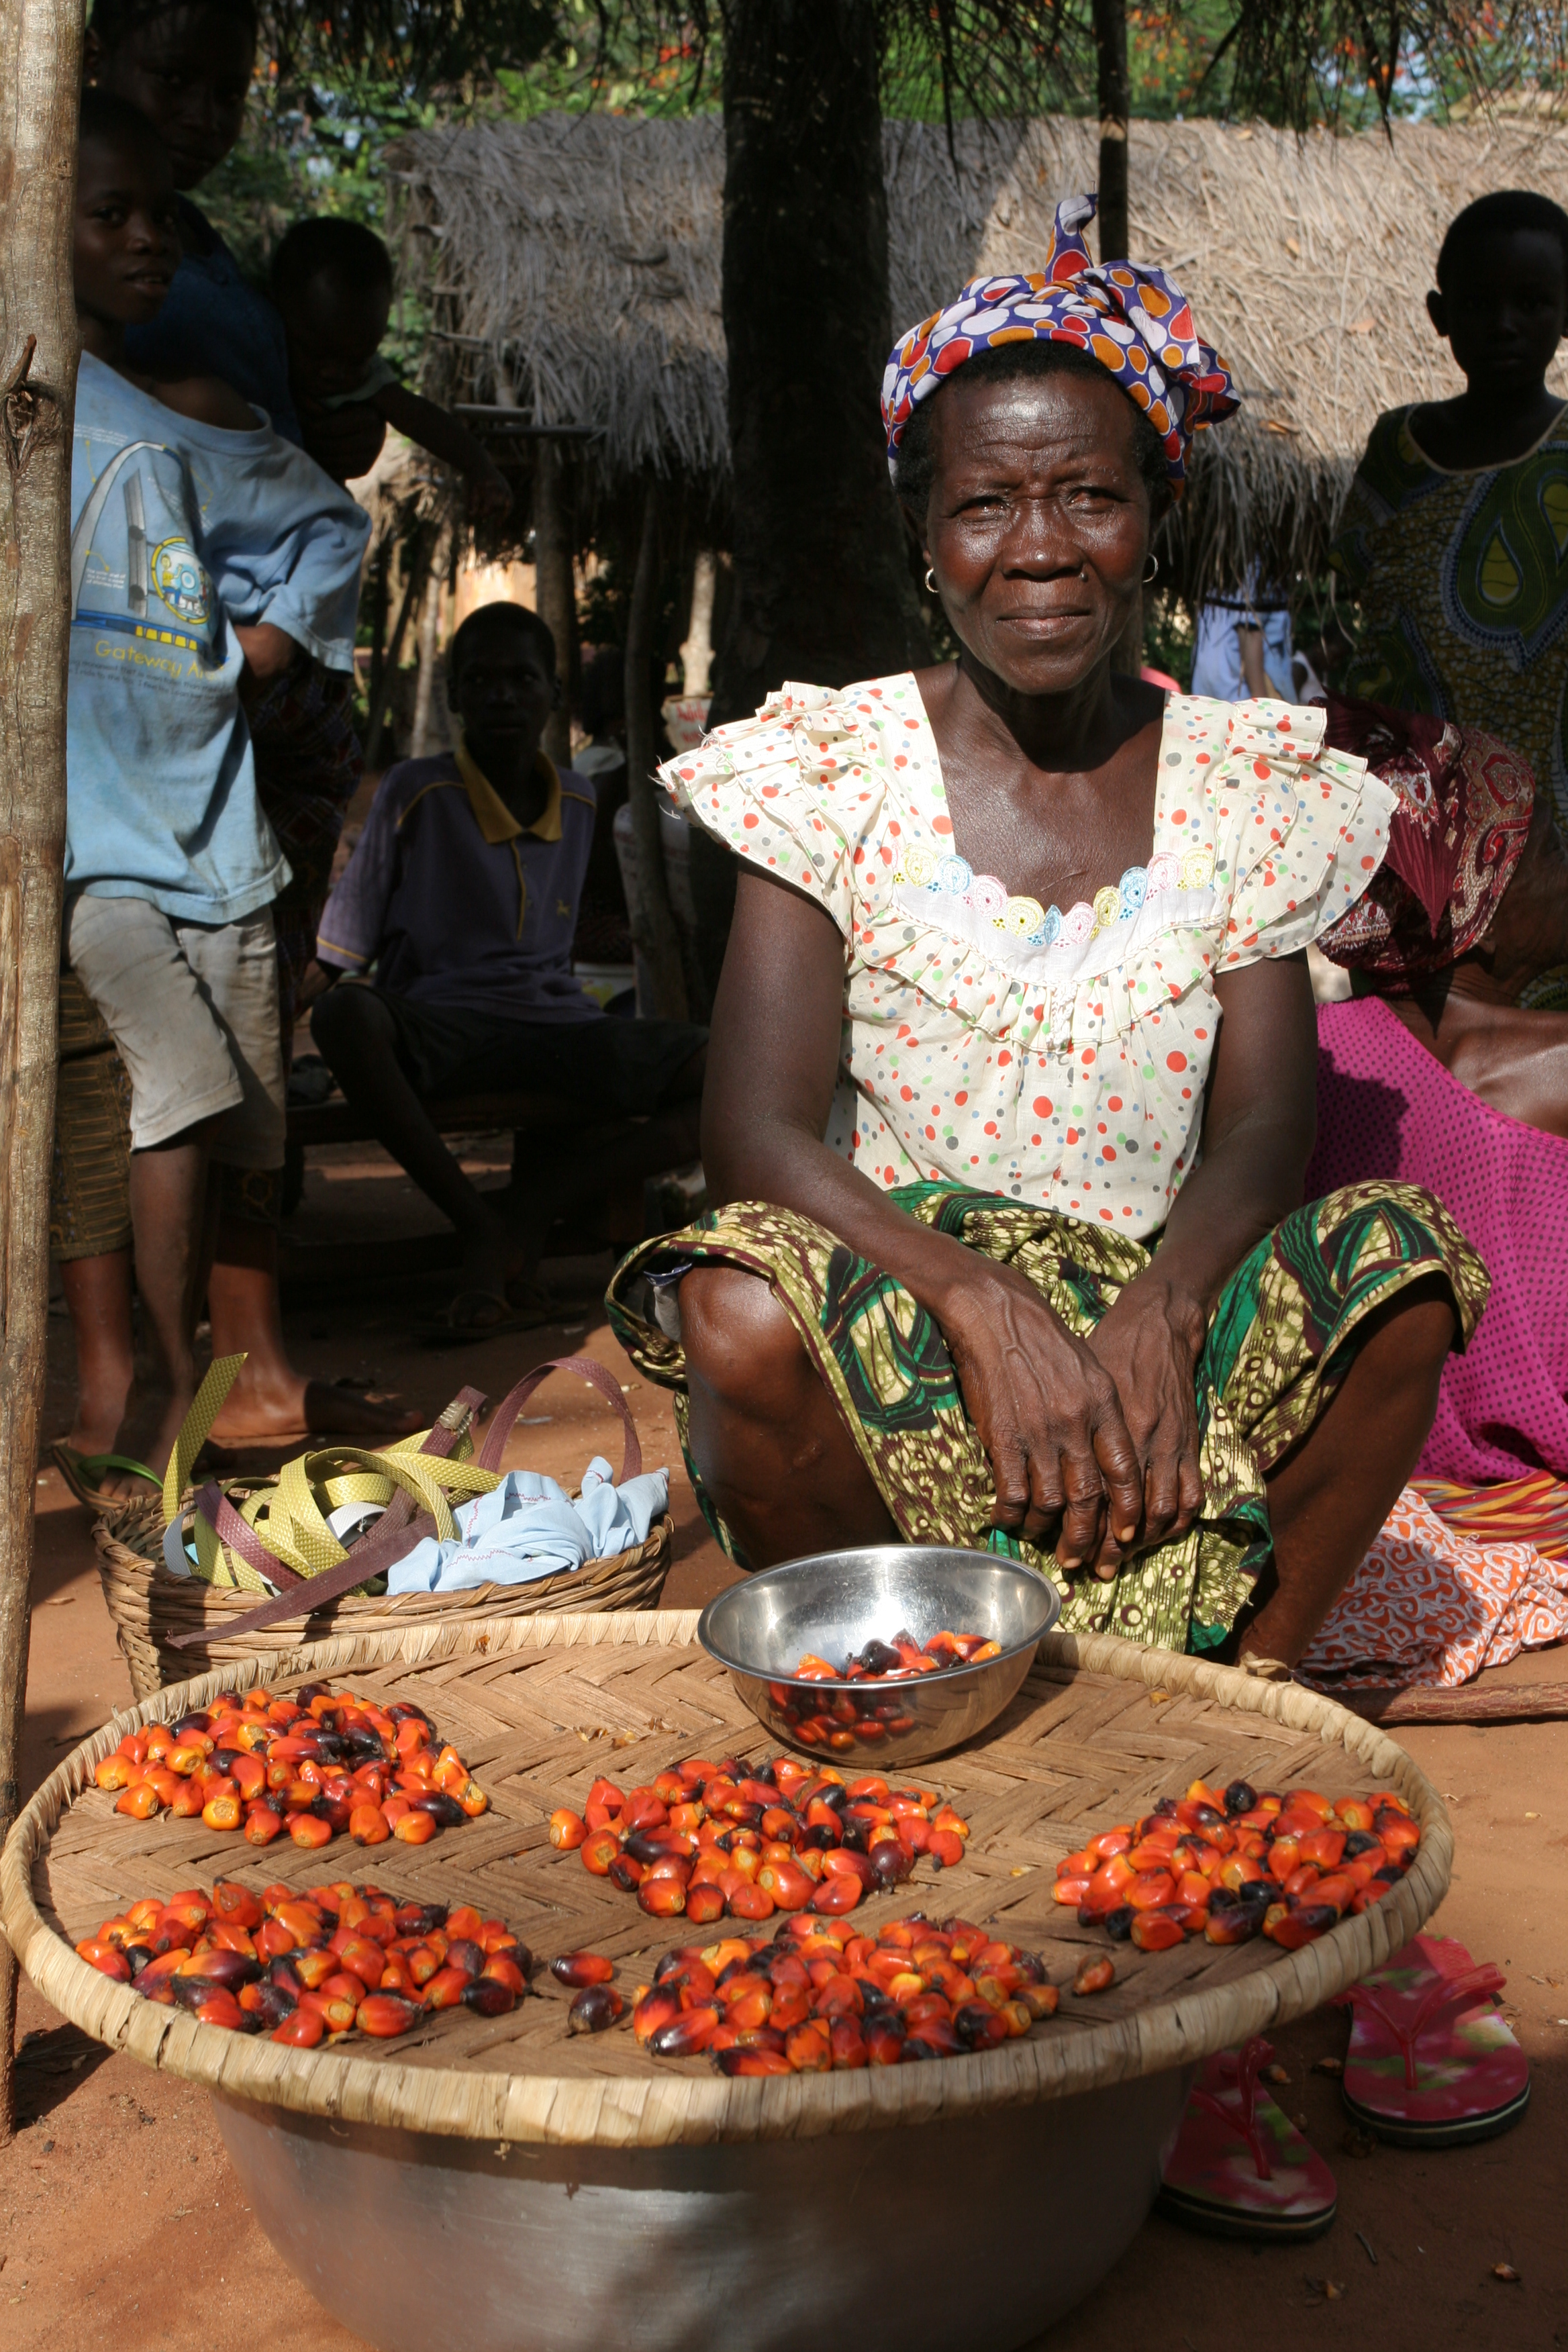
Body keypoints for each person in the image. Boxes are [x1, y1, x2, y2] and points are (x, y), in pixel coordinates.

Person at [604, 193, 1487, 1673]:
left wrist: (1162, 1309)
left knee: (1401, 1262)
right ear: (922, 536)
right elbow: (758, 1135)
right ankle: (886, 1658)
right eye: (983, 506)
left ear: (1158, 516)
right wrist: (975, 1300)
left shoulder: (1237, 786)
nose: (1039, 551)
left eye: (1088, 496)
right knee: (738, 1311)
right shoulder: (831, 772)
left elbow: (1267, 1127)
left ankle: (1228, 1699)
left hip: (1160, 1310)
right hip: (906, 1309)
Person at [81, 0, 421, 1453]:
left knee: (239, 1068)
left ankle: (232, 1369)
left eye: (226, 88)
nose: (206, 114)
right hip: (109, 798)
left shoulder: (202, 294)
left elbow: (310, 493)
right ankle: (148, 1377)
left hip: (210, 762)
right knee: (138, 1094)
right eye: (177, 78)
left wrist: (254, 653)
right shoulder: (102, 358)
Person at [310, 601, 708, 1338]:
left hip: (555, 1024)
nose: (501, 695)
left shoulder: (582, 796)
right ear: (456, 695)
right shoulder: (415, 790)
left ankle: (526, 1207)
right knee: (343, 1017)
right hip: (439, 1026)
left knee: (725, 1069)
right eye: (481, 679)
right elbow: (340, 952)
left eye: (521, 678)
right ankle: (478, 1220)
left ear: (552, 695)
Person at [1295, 699, 1568, 1685]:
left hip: (1359, 1517)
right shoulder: (1559, 1062)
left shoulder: (1306, 1068)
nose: (1564, 878)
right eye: (1544, 855)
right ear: (1481, 899)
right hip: (1539, 1515)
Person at [1330, 189, 1568, 825]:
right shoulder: (1398, 450)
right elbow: (1353, 593)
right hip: (1406, 800)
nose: (1505, 324)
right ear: (1440, 314)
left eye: (1532, 302)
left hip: (1551, 809)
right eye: (1478, 304)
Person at [271, 217, 511, 518]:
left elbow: (420, 417)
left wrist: (479, 465)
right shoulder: (254, 364)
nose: (336, 374)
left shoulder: (366, 378)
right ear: (275, 316)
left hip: (319, 524)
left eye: (358, 360)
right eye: (318, 354)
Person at [1189, 566, 1293, 702]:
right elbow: (1249, 632)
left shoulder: (1220, 573)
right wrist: (1263, 707)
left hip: (1213, 692)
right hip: (1239, 695)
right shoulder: (1257, 569)